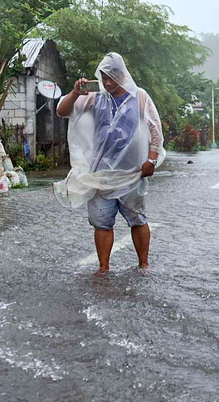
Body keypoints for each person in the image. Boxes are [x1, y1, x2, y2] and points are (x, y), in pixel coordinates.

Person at [55, 53, 165, 274]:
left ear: (123, 75)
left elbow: (155, 130)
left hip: (132, 173)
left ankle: (144, 264)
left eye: (112, 77)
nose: (107, 83)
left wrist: (152, 159)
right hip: (101, 174)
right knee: (102, 223)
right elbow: (62, 111)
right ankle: (103, 269)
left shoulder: (140, 97)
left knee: (138, 219)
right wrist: (76, 93)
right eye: (104, 77)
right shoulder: (96, 97)